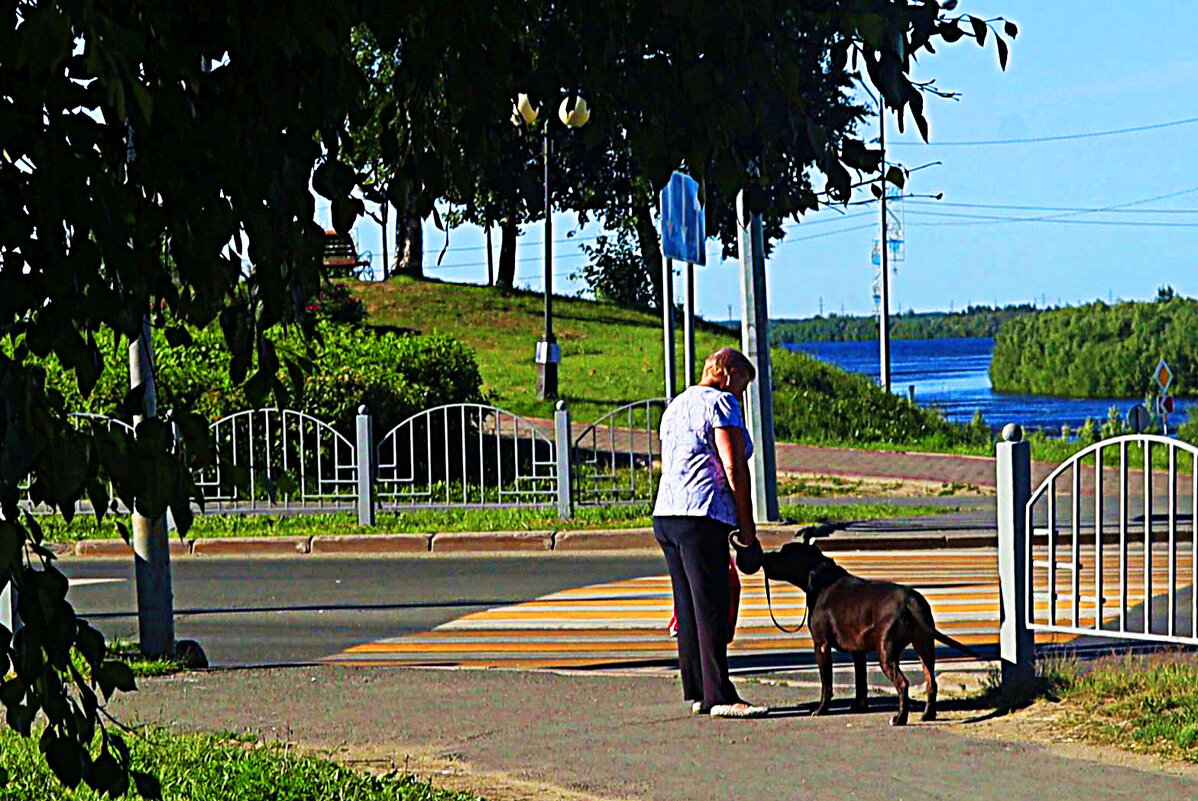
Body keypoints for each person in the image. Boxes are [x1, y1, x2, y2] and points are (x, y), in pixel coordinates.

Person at [652, 347, 768, 718]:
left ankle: (701, 690)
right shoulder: (721, 404)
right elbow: (734, 468)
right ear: (729, 373)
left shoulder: (676, 406)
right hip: (702, 516)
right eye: (742, 386)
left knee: (687, 606)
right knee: (712, 605)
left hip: (667, 515)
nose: (741, 396)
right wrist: (747, 531)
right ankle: (721, 696)